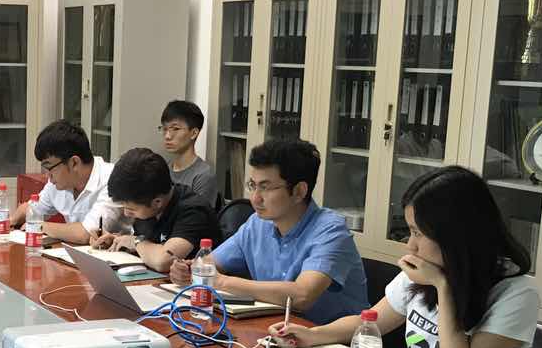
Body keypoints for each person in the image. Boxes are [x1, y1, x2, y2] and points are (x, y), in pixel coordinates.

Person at [275, 166, 540, 348]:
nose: (410, 245)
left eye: (418, 233)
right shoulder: (426, 272)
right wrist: (313, 335)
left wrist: (443, 287)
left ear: (455, 236)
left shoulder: (516, 294)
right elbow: (370, 322)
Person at [170, 139, 367, 324]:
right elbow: (208, 264)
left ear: (299, 191)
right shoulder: (257, 224)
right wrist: (188, 271)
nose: (255, 198)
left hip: (332, 341)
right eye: (252, 186)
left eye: (265, 188)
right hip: (274, 329)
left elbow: (302, 296)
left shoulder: (331, 231)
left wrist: (221, 282)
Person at [92, 146, 218, 273]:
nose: (126, 213)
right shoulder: (148, 203)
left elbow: (164, 261)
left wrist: (135, 242)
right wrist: (119, 242)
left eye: (131, 209)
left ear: (157, 202)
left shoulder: (193, 210)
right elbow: (147, 246)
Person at [8, 120, 128, 244]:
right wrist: (11, 221)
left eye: (50, 168)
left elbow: (86, 234)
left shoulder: (112, 180)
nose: (48, 175)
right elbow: (32, 209)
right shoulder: (59, 182)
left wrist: (40, 225)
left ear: (74, 163)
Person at [159, 99, 219, 209]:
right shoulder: (163, 169)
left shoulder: (203, 175)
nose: (167, 136)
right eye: (164, 129)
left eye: (175, 129)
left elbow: (199, 216)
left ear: (194, 133)